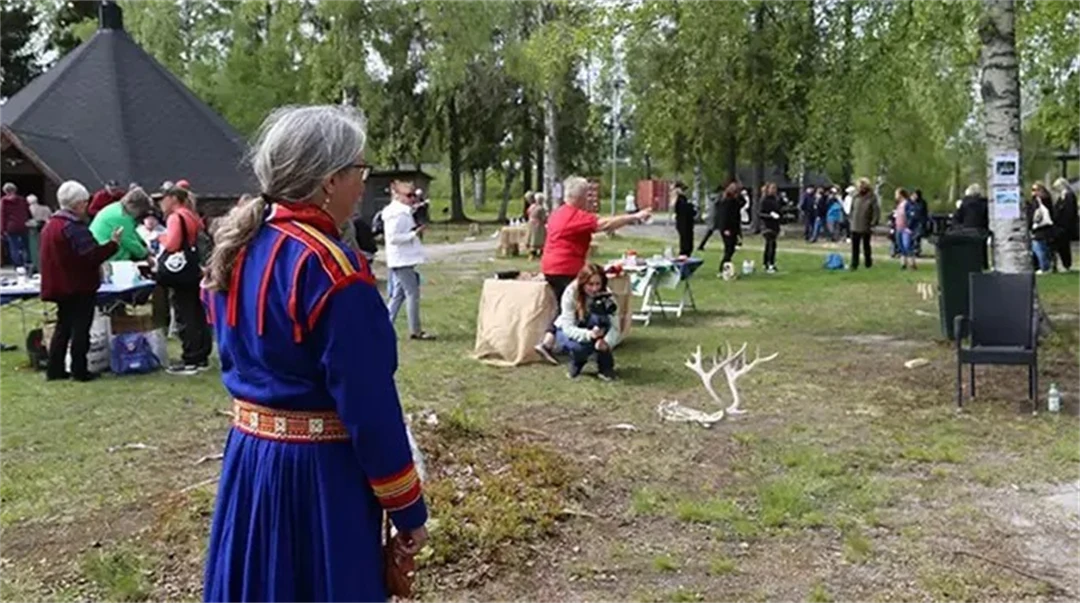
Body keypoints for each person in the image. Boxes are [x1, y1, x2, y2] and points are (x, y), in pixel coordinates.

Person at [200, 105, 428, 603]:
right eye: (360, 172)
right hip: (319, 480)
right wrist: (408, 508)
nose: (361, 185)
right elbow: (369, 407)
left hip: (250, 460)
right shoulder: (331, 268)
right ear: (330, 181)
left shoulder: (237, 248)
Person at [534, 176, 651, 364]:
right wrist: (634, 217)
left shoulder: (557, 213)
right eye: (587, 195)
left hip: (550, 266)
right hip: (567, 268)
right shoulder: (575, 215)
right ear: (579, 197)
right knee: (579, 306)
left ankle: (552, 342)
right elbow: (604, 225)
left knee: (564, 306)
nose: (590, 199)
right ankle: (581, 344)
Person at [39, 181, 122, 381]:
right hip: (77, 285)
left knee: (63, 327)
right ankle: (79, 369)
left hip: (59, 285)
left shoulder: (51, 225)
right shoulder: (73, 227)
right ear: (77, 204)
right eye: (85, 202)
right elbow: (91, 255)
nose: (86, 206)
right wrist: (113, 244)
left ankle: (55, 369)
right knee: (80, 328)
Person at [158, 186, 213, 374]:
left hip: (181, 271)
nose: (161, 203)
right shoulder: (191, 215)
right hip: (193, 269)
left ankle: (190, 358)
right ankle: (202, 355)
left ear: (173, 198)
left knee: (184, 312)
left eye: (163, 198)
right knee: (196, 312)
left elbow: (173, 243)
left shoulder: (176, 217)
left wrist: (161, 238)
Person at [383, 180, 435, 340]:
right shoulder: (397, 214)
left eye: (413, 195)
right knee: (413, 293)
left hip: (402, 259)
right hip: (401, 260)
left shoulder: (402, 211)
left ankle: (384, 325)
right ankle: (416, 331)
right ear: (397, 195)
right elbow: (393, 238)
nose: (412, 198)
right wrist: (414, 233)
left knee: (398, 295)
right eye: (408, 195)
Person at [554, 264, 622, 380]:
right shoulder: (571, 293)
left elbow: (615, 326)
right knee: (578, 348)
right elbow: (568, 327)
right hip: (571, 330)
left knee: (601, 318)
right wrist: (588, 335)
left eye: (598, 284)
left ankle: (605, 366)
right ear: (583, 283)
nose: (595, 289)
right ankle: (578, 361)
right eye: (590, 284)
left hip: (598, 331)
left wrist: (606, 342)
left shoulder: (607, 296)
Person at [89, 187, 152, 261]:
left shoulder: (118, 207)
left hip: (98, 247)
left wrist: (142, 243)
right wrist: (145, 254)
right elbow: (129, 241)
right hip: (105, 255)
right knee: (129, 254)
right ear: (136, 208)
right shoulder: (122, 217)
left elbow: (131, 232)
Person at [953, 183, 991, 270]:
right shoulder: (984, 203)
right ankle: (983, 265)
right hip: (980, 229)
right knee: (981, 249)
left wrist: (958, 227)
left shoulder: (964, 204)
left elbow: (957, 217)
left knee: (968, 250)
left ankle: (968, 265)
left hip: (966, 229)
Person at [849, 177, 880, 271]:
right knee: (855, 247)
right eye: (859, 186)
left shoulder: (872, 197)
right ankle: (854, 264)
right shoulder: (855, 196)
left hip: (866, 225)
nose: (861, 187)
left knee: (866, 246)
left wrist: (873, 223)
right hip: (855, 225)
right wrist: (850, 219)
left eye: (862, 186)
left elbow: (876, 211)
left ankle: (868, 263)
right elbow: (852, 209)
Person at [714, 181, 743, 272]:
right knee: (729, 249)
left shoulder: (734, 201)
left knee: (731, 248)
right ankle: (723, 268)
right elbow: (724, 216)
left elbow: (742, 203)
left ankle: (726, 266)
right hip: (727, 228)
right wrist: (725, 228)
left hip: (734, 227)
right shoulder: (727, 202)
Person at [1, 182, 30, 268]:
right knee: (25, 245)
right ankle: (27, 263)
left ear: (5, 191)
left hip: (11, 226)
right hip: (22, 225)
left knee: (14, 247)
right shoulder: (22, 199)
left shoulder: (4, 201)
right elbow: (26, 211)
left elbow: (2, 215)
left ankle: (18, 265)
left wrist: (2, 230)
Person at [1051, 178, 1077, 271]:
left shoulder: (1069, 195)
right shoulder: (1062, 196)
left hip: (1065, 226)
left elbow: (1069, 212)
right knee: (1061, 245)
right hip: (1060, 225)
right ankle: (1061, 264)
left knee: (1064, 246)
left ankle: (1066, 264)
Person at [1030, 189, 1054, 273]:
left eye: (1035, 190)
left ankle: (1044, 267)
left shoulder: (1041, 201)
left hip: (1040, 228)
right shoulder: (1038, 201)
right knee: (1040, 248)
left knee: (1039, 249)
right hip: (1041, 228)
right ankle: (1044, 266)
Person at [894, 188, 917, 270]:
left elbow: (911, 216)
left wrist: (909, 227)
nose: (895, 196)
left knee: (907, 246)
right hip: (899, 227)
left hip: (905, 228)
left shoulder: (907, 204)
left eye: (896, 194)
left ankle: (912, 263)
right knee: (901, 246)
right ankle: (903, 263)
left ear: (901, 194)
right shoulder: (899, 204)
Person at [673, 182, 696, 256]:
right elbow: (682, 209)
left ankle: (687, 254)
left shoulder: (684, 198)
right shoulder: (678, 199)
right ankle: (683, 255)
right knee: (685, 242)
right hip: (683, 222)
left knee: (688, 241)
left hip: (688, 222)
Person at [527, 192, 548, 260]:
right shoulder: (541, 208)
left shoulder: (531, 206)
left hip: (531, 223)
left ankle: (532, 253)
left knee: (532, 238)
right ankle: (539, 253)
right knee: (540, 239)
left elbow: (528, 213)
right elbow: (543, 218)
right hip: (538, 224)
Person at [910, 189, 929, 256]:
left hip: (920, 222)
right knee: (912, 236)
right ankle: (913, 249)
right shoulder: (912, 203)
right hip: (913, 222)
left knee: (917, 236)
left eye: (915, 195)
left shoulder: (922, 203)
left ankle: (916, 250)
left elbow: (923, 212)